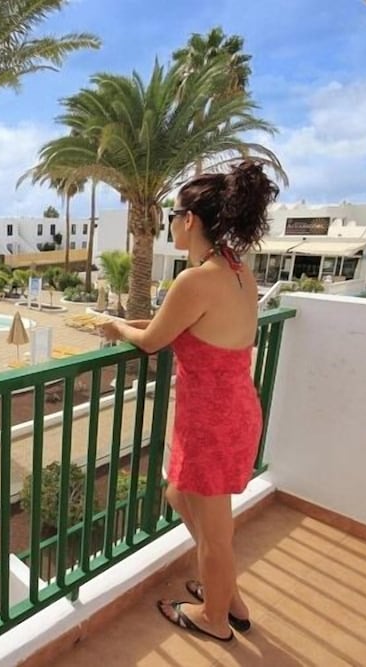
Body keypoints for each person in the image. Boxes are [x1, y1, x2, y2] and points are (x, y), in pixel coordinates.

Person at [99, 160, 279, 642]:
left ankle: (216, 617)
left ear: (191, 220)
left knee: (217, 535)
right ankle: (226, 593)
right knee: (178, 495)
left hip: (211, 423)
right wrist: (134, 324)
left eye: (173, 215)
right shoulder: (238, 272)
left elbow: (152, 341)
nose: (171, 224)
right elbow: (179, 327)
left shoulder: (195, 280)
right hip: (237, 410)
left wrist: (116, 326)